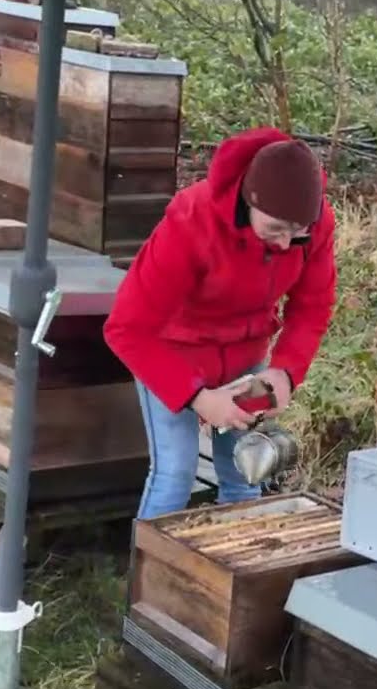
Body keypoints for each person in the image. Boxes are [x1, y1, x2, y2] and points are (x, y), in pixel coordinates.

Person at [104, 127, 337, 519]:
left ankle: (233, 576)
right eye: (275, 230)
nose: (284, 244)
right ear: (248, 201)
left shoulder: (315, 222)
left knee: (246, 474)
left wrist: (286, 371)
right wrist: (198, 398)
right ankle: (148, 578)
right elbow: (126, 328)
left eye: (296, 233)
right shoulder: (192, 220)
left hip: (246, 357)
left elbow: (313, 305)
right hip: (172, 354)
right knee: (174, 474)